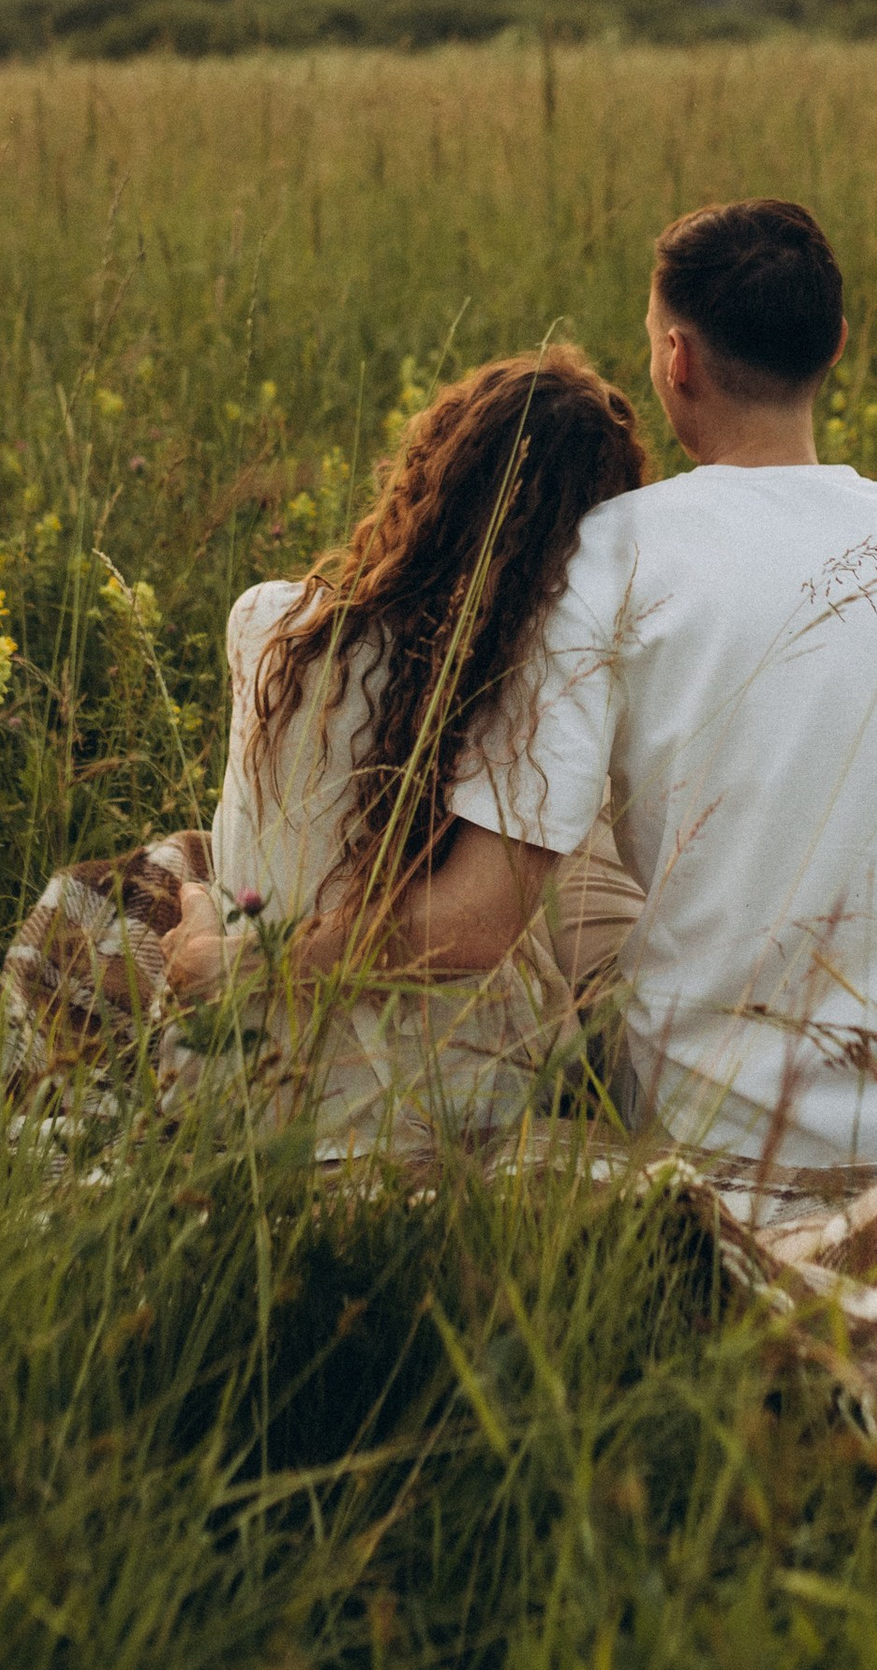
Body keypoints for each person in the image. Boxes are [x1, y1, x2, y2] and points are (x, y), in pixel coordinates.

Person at [416, 199, 877, 1205]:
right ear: (835, 346)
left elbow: (474, 927)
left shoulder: (605, 554)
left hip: (716, 1123)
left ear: (676, 361)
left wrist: (259, 955)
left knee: (568, 823)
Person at [157, 347, 648, 1151]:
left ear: (427, 474)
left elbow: (256, 843)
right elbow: (476, 932)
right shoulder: (534, 689)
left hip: (222, 1079)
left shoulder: (265, 620)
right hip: (444, 1101)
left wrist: (219, 931)